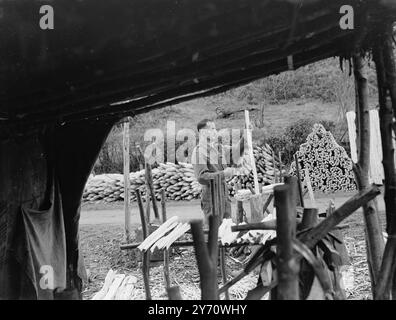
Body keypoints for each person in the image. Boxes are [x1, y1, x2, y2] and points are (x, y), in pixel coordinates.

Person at [191, 119, 245, 221]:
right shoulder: (199, 152)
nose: (216, 131)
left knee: (227, 228)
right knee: (214, 230)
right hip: (211, 198)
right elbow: (202, 177)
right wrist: (223, 174)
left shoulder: (219, 148)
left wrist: (246, 135)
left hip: (224, 196)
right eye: (212, 129)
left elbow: (236, 152)